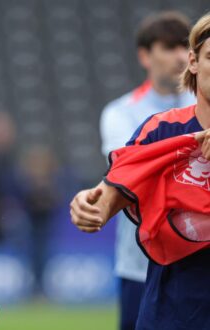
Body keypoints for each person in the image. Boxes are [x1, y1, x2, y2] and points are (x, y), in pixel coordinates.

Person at [71, 12, 210, 329]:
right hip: (168, 295)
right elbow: (120, 183)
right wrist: (93, 205)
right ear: (194, 62)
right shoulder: (157, 126)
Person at [98, 11, 193, 330]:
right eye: (169, 48)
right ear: (144, 55)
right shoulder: (120, 112)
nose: (180, 56)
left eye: (184, 47)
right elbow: (130, 173)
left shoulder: (203, 106)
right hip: (141, 264)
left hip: (199, 261)